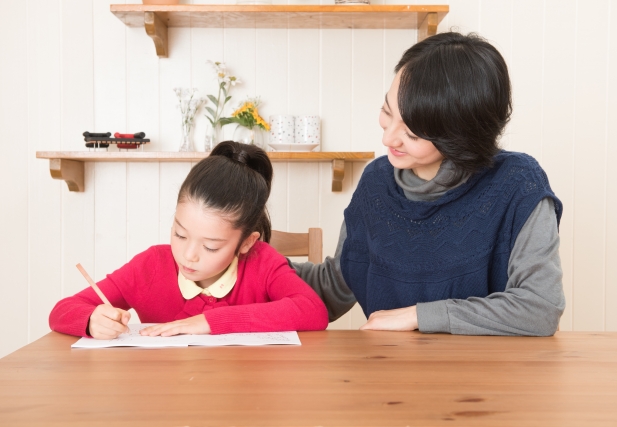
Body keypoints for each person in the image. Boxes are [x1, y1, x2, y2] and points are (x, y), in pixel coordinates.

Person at [292, 32, 565, 336]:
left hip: (489, 378)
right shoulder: (376, 182)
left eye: (412, 133)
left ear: (460, 137)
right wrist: (250, 261)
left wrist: (420, 316)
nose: (387, 138)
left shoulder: (517, 184)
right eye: (387, 111)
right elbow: (338, 284)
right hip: (389, 374)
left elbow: (540, 307)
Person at [50, 141, 328, 339]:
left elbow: (313, 311)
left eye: (210, 246)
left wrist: (210, 321)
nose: (188, 255)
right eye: (180, 234)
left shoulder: (263, 262)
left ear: (246, 242)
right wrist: (91, 321)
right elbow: (62, 311)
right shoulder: (151, 265)